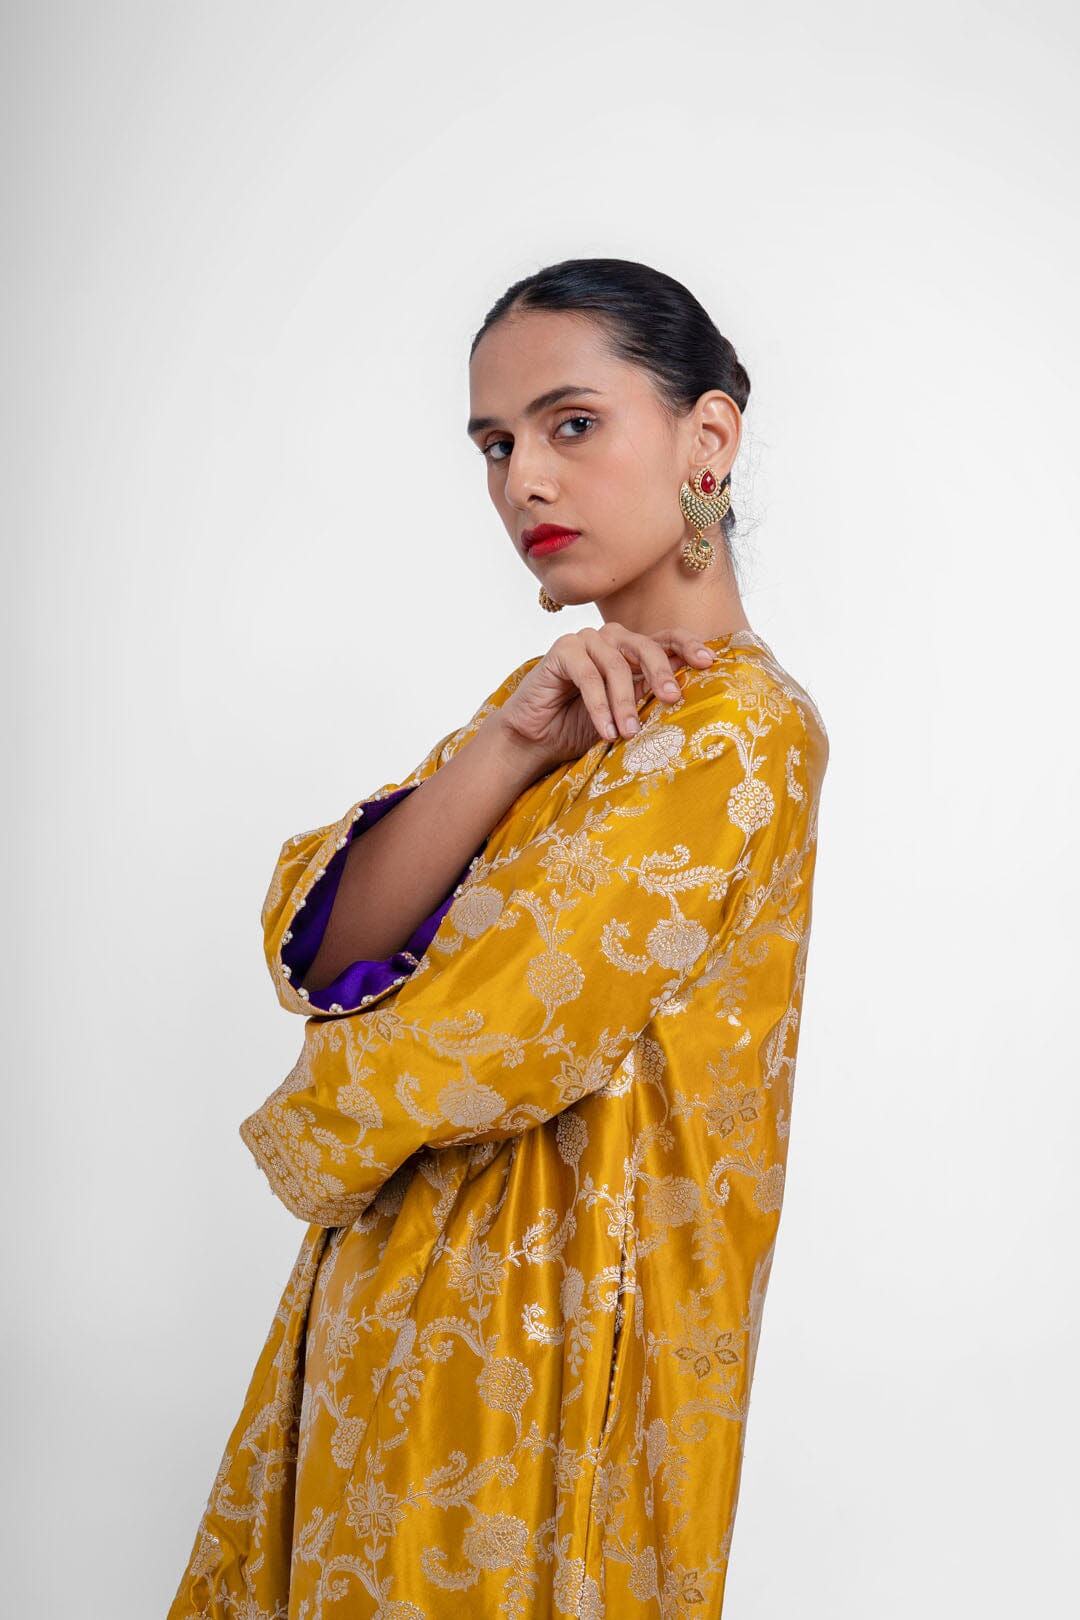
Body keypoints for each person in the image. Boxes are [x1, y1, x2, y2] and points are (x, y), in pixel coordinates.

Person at [168, 257, 829, 1619]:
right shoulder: (560, 708)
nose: (525, 480)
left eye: (570, 424)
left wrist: (309, 1110)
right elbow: (318, 947)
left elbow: (483, 1035)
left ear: (706, 438)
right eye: (495, 445)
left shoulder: (739, 733)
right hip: (382, 1328)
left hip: (546, 1368)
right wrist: (508, 747)